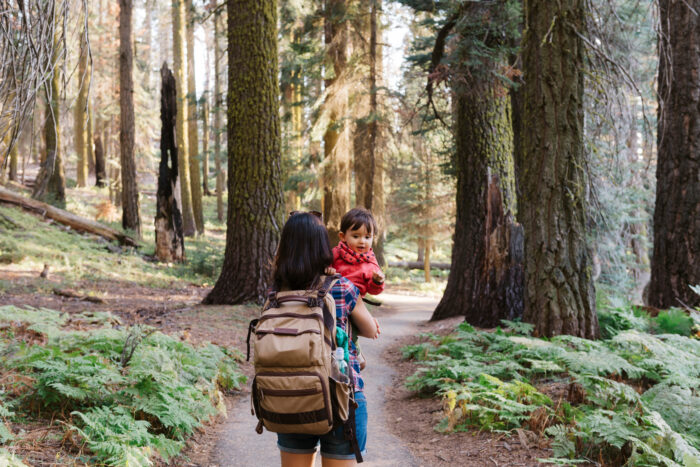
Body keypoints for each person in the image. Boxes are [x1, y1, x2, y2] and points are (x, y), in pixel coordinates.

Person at [273, 212, 380, 467]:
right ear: (324, 246)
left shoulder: (275, 292)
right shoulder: (341, 286)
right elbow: (370, 330)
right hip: (341, 395)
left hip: (291, 396)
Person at [332, 208, 385, 297]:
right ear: (343, 236)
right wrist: (327, 269)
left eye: (367, 237)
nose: (362, 241)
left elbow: (373, 291)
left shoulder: (370, 263)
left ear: (373, 238)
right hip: (332, 299)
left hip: (355, 303)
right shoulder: (336, 253)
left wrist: (376, 281)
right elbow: (321, 266)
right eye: (356, 236)